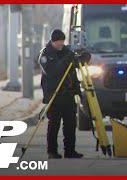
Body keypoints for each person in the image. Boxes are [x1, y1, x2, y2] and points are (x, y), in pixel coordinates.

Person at [38, 29, 90, 159]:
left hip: (68, 94)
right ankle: (52, 151)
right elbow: (53, 71)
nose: (61, 44)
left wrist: (84, 57)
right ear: (53, 41)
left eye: (62, 41)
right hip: (54, 95)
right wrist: (68, 59)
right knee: (54, 124)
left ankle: (70, 151)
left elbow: (76, 64)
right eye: (59, 42)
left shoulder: (67, 51)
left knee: (70, 124)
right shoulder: (45, 55)